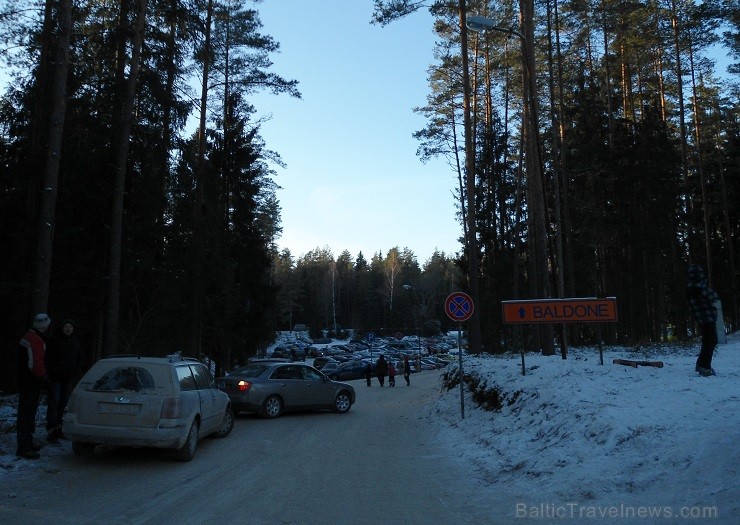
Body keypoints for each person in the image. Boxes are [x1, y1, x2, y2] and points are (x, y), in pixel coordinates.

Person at [16, 313, 50, 459]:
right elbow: (36, 363)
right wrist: (44, 377)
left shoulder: (29, 336)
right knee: (27, 414)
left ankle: (27, 443)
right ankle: (24, 447)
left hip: (26, 381)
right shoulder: (35, 339)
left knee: (27, 413)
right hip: (31, 382)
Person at [45, 318, 85, 443]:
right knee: (54, 403)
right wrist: (52, 372)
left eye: (70, 327)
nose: (68, 329)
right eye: (66, 326)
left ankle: (58, 428)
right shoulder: (54, 340)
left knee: (63, 404)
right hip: (55, 378)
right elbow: (48, 358)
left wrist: (76, 371)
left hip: (68, 378)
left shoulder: (75, 341)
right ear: (62, 328)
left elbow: (79, 357)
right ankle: (51, 430)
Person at [686, 264, 720, 376]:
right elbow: (713, 296)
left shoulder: (690, 286)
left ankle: (701, 364)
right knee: (710, 340)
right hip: (707, 316)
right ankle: (704, 366)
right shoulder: (699, 286)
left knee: (708, 341)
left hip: (701, 317)